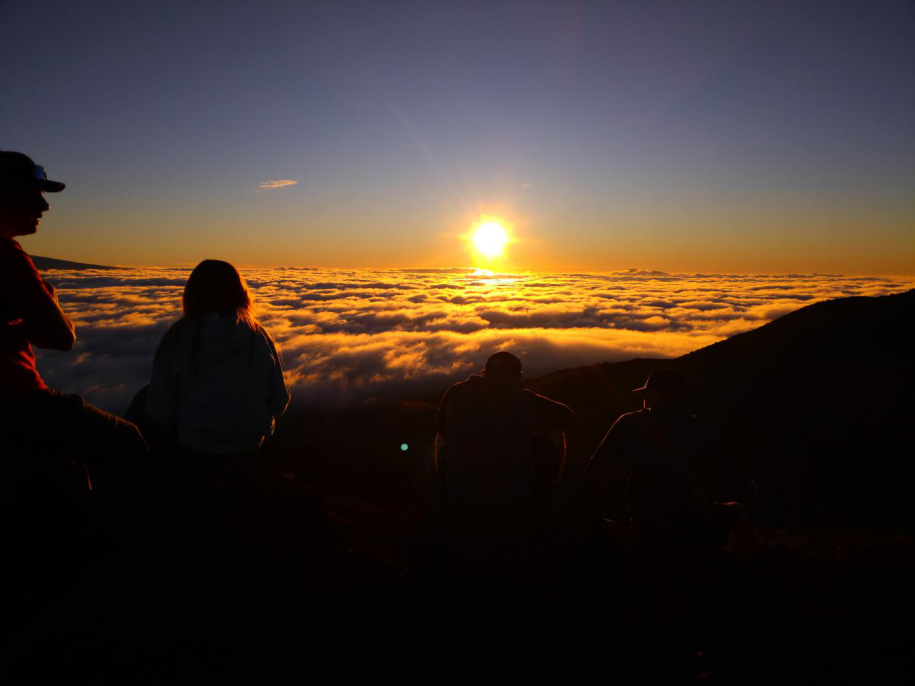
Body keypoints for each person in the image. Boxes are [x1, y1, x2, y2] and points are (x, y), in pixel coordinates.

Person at [0, 151, 148, 493]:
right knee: (127, 440)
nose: (45, 207)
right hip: (17, 400)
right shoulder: (8, 256)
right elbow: (62, 336)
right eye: (34, 195)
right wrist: (49, 301)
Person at [583, 369, 783, 564]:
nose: (643, 401)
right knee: (735, 510)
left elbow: (595, 470)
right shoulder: (697, 428)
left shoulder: (628, 423)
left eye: (646, 394)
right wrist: (748, 486)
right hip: (690, 524)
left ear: (655, 394)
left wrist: (595, 519)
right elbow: (726, 470)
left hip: (644, 525)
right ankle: (762, 556)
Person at [142, 259, 290, 488]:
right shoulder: (258, 337)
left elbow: (158, 412)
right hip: (249, 444)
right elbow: (279, 402)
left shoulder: (178, 338)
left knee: (143, 397)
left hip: (193, 444)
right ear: (241, 294)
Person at [434, 351, 575, 524]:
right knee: (553, 431)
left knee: (443, 437)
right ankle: (542, 501)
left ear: (484, 373)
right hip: (513, 498)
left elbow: (439, 426)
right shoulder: (526, 399)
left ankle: (446, 493)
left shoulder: (455, 391)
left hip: (461, 497)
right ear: (517, 377)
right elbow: (568, 417)